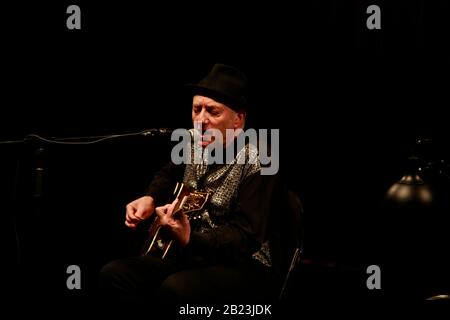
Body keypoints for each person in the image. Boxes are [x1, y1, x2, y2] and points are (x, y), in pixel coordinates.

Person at [99, 63, 291, 303]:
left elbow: (246, 236)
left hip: (245, 263)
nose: (201, 120)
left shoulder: (260, 160)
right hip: (191, 255)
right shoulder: (190, 142)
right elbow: (167, 175)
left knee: (176, 290)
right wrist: (150, 197)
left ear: (238, 119)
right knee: (115, 275)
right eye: (196, 109)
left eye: (213, 111)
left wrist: (192, 239)